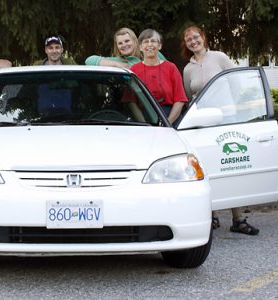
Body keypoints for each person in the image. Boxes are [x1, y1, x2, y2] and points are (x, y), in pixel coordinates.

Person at [181, 25, 259, 235]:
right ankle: (212, 216)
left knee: (231, 166)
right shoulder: (187, 69)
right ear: (186, 44)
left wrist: (230, 106)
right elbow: (190, 96)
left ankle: (238, 219)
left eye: (196, 37)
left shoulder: (219, 57)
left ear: (203, 37)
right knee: (208, 167)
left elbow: (236, 83)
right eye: (189, 39)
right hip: (203, 123)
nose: (193, 41)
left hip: (227, 120)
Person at [130, 29, 187, 124]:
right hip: (144, 119)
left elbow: (180, 99)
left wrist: (168, 122)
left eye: (153, 41)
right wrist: (144, 124)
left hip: (171, 118)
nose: (149, 45)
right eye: (145, 42)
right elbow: (131, 101)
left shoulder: (171, 68)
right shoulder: (134, 70)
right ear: (140, 47)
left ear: (159, 46)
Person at [85, 27, 165, 68]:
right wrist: (118, 64)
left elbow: (170, 72)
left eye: (127, 41)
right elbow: (89, 60)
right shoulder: (118, 60)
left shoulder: (152, 53)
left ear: (135, 41)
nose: (124, 45)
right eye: (120, 43)